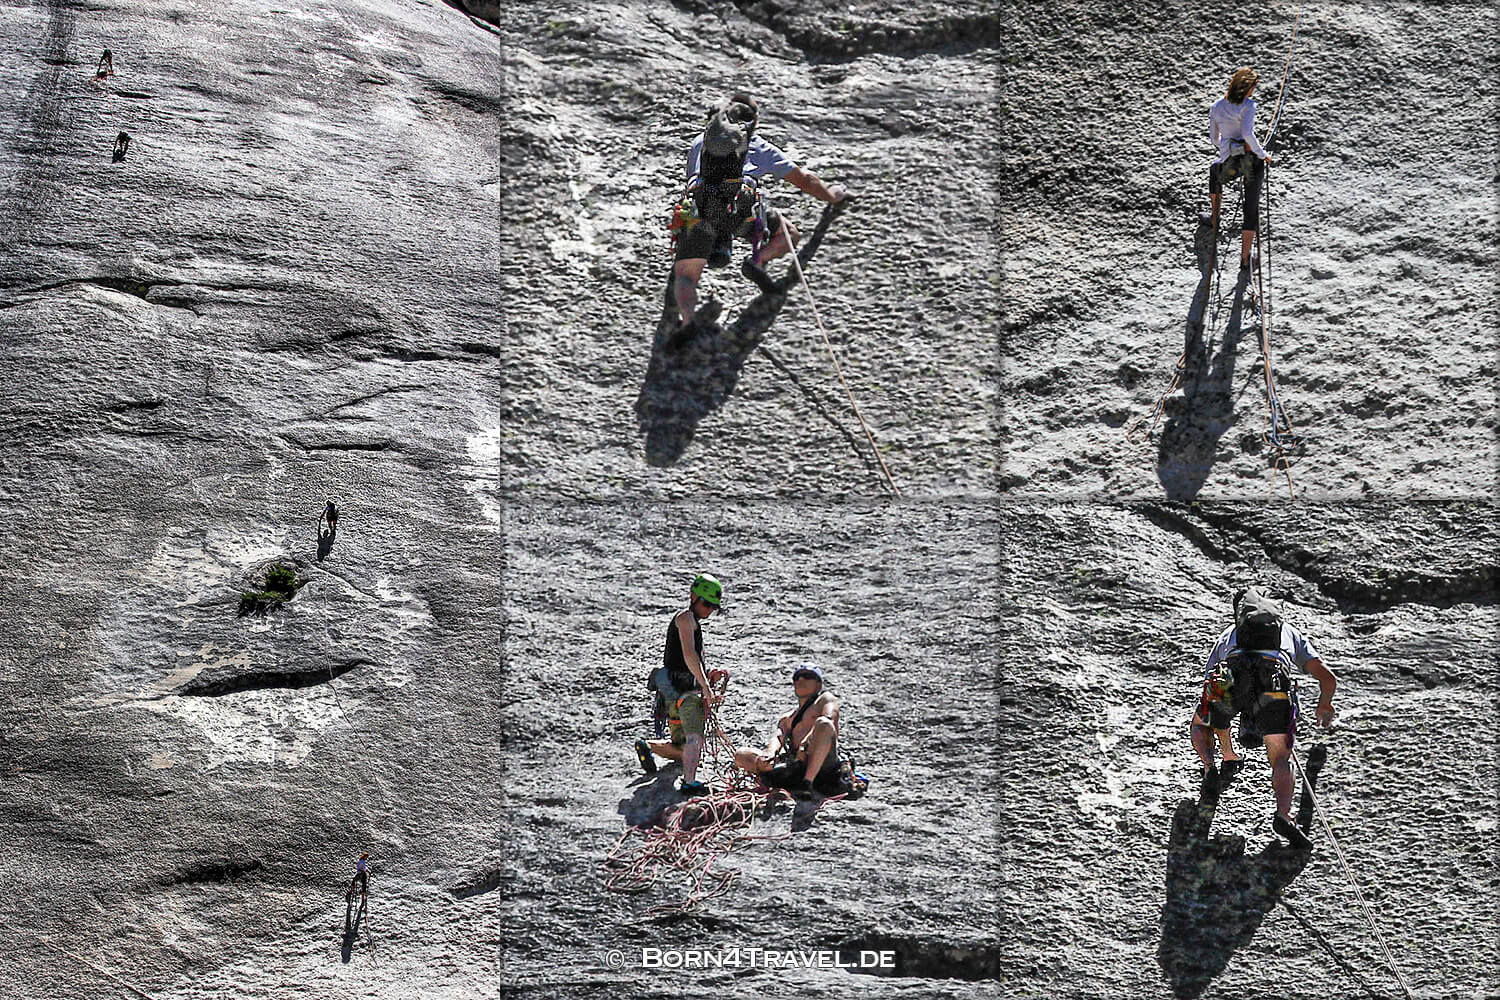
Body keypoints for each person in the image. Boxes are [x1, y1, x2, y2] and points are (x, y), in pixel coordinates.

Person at [669, 92, 851, 339]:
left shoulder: (700, 142)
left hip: (699, 214)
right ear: (753, 121)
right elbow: (805, 180)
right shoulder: (757, 146)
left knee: (686, 276)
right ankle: (758, 261)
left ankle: (688, 320)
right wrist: (832, 196)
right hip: (740, 214)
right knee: (790, 234)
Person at [1190, 588, 1336, 849]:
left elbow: (1210, 679)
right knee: (1281, 758)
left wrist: (1219, 709)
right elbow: (1327, 677)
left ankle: (1214, 766)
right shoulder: (1288, 632)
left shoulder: (1228, 635)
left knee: (1203, 722)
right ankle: (1283, 815)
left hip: (1232, 679)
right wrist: (1324, 704)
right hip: (1274, 685)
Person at [634, 574, 723, 796]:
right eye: (706, 603)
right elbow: (689, 655)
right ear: (693, 597)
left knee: (684, 747)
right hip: (685, 693)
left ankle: (649, 745)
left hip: (673, 693)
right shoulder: (685, 619)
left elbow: (688, 660)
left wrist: (708, 676)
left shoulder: (690, 621)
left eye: (713, 606)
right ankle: (689, 782)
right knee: (695, 737)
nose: (709, 609)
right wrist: (705, 686)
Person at [733, 663, 844, 796]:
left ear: (818, 684)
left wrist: (804, 743)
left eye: (807, 676)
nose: (801, 680)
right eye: (797, 678)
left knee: (823, 723)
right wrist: (769, 754)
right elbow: (778, 736)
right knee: (741, 755)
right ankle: (788, 776)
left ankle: (807, 782)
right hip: (796, 764)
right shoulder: (787, 718)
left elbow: (829, 719)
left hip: (824, 762)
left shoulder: (824, 700)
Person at [1207, 67, 1274, 271]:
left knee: (1215, 173)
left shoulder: (1216, 106)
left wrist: (1229, 147)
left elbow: (1214, 139)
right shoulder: (1248, 105)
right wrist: (1263, 154)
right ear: (1247, 88)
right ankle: (1245, 258)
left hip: (1231, 162)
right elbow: (1247, 133)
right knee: (1250, 206)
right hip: (1250, 162)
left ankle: (1215, 218)